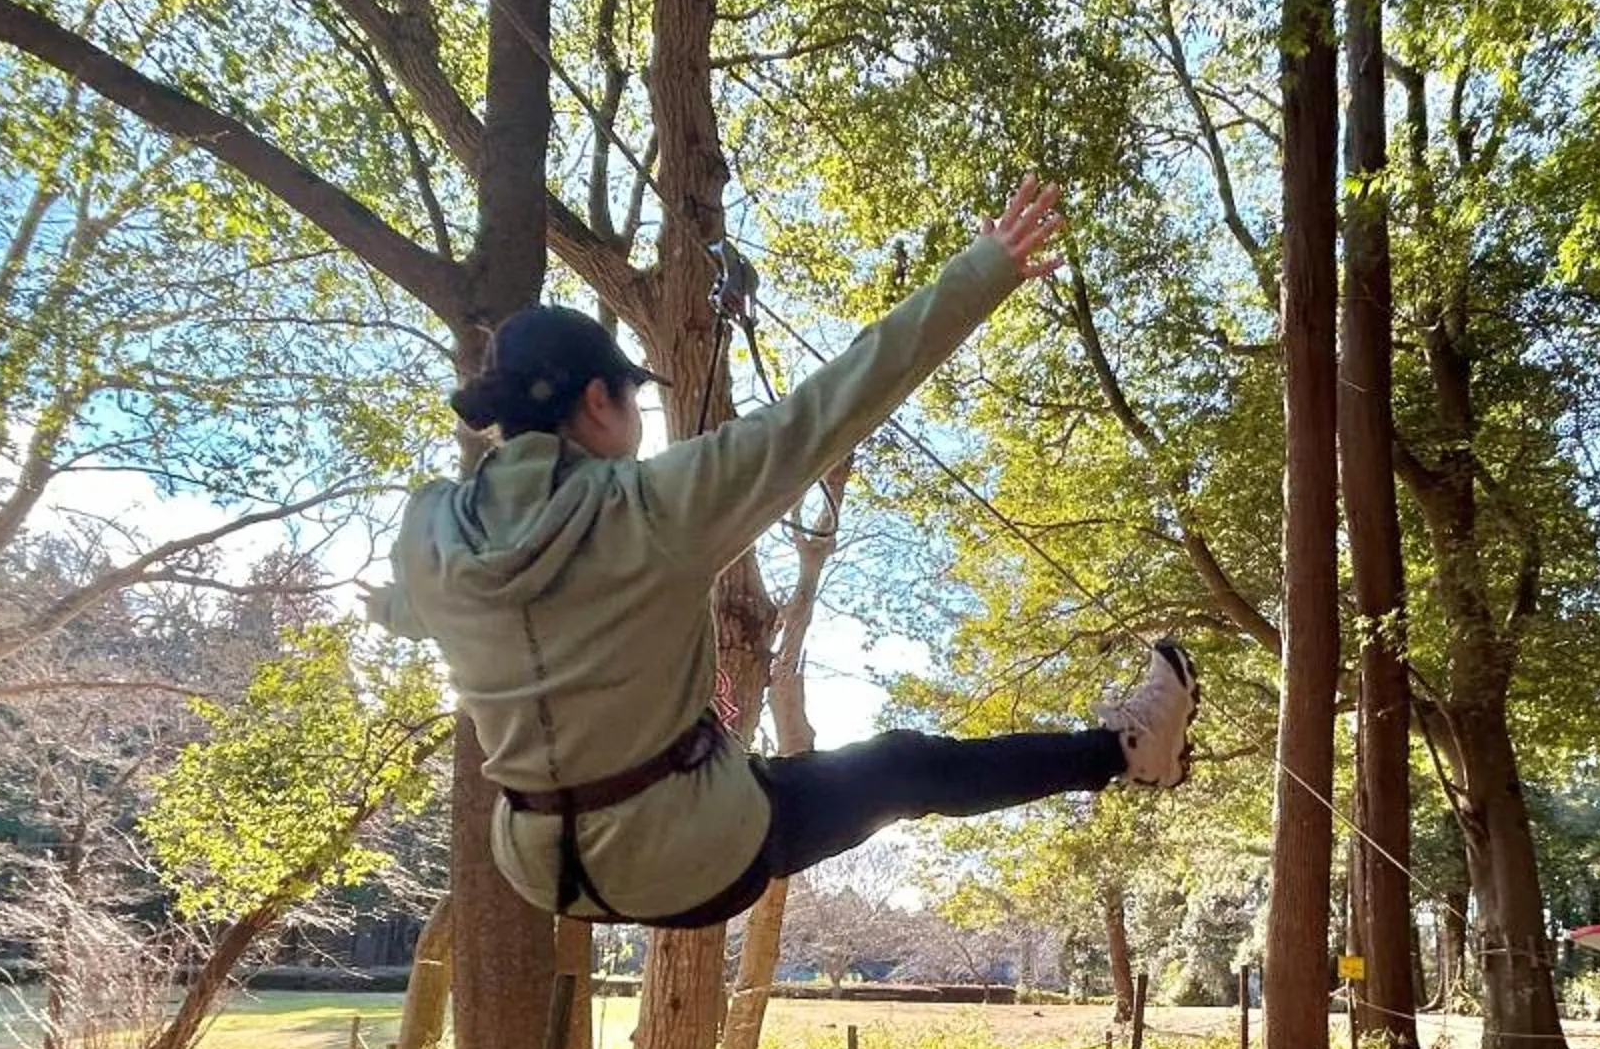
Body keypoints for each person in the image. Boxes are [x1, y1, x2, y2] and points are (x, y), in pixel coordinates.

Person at [370, 175, 1198, 929]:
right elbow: (833, 403)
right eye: (630, 398)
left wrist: (388, 608)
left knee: (789, 766)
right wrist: (984, 270)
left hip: (540, 868)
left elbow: (412, 611)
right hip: (693, 855)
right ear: (598, 399)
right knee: (902, 769)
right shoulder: (651, 504)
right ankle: (1128, 750)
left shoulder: (430, 530)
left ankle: (1123, 752)